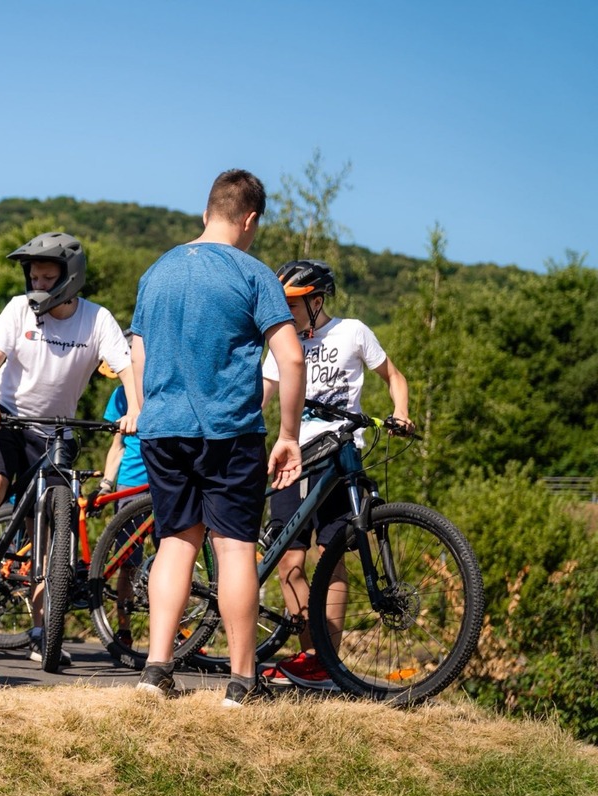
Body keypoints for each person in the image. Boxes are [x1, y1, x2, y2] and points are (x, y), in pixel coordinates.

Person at [129, 169, 306, 707]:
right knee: (233, 551)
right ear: (249, 219)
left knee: (175, 543)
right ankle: (241, 682)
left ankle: (156, 670)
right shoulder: (253, 274)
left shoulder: (156, 272)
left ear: (208, 210)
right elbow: (292, 357)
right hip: (227, 431)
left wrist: (146, 409)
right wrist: (289, 436)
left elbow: (136, 352)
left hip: (162, 429)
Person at [0, 232, 138, 664]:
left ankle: (43, 629)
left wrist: (136, 410)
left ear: (69, 278)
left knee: (53, 525)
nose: (37, 284)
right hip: (4, 416)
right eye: (33, 276)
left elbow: (127, 366)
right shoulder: (18, 309)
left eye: (46, 276)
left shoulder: (96, 320)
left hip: (55, 430)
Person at [259, 259, 414, 689]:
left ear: (317, 300)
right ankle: (309, 654)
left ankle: (325, 662)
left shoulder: (353, 331)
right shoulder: (283, 342)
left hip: (343, 458)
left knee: (334, 559)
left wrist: (400, 412)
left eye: (294, 303)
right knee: (287, 560)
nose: (286, 310)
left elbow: (394, 376)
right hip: (296, 457)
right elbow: (262, 395)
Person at [94, 346, 150, 652]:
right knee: (128, 563)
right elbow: (117, 446)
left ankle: (182, 632)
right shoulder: (119, 396)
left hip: (164, 483)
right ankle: (124, 630)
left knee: (178, 558)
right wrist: (106, 484)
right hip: (130, 486)